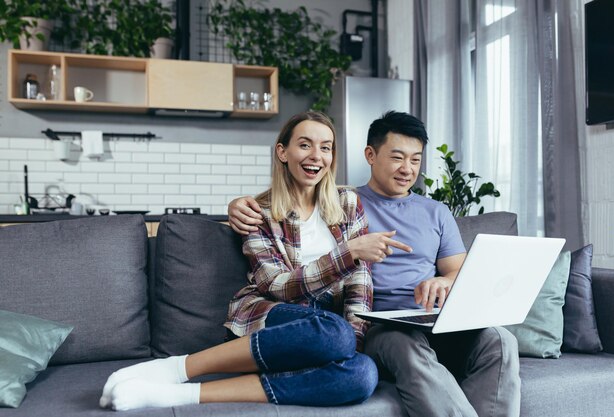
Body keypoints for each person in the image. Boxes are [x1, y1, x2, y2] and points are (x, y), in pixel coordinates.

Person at [99, 111, 413, 411]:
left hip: (325, 331)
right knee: (334, 332)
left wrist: (354, 341)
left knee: (363, 374)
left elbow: (360, 283)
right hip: (273, 314)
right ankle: (176, 369)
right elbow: (276, 286)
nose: (317, 156)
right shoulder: (257, 211)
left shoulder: (348, 203)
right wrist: (348, 253)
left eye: (326, 148)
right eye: (305, 144)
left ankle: (177, 394)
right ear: (283, 151)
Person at [228, 111, 522, 417]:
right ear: (370, 154)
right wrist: (236, 207)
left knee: (500, 341)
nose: (407, 169)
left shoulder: (436, 212)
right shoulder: (342, 203)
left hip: (432, 318)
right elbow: (294, 201)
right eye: (397, 157)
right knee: (407, 348)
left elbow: (459, 270)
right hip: (381, 326)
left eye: (415, 160)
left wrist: (444, 281)